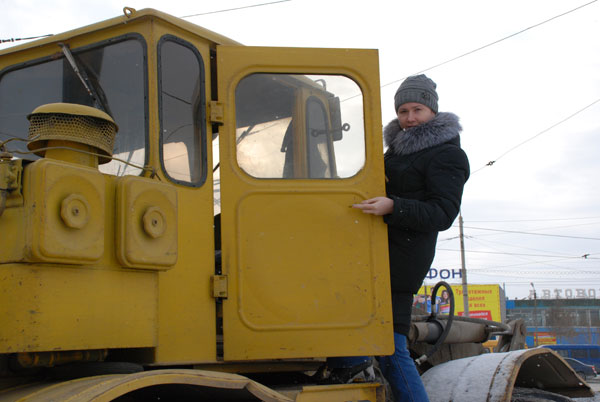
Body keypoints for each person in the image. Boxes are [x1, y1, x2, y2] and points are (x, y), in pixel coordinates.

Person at [352, 74, 469, 401]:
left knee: (390, 346)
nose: (409, 118)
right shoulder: (395, 152)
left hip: (402, 259)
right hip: (374, 256)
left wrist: (394, 206)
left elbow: (443, 212)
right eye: (403, 111)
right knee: (354, 339)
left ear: (433, 112)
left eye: (417, 109)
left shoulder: (447, 155)